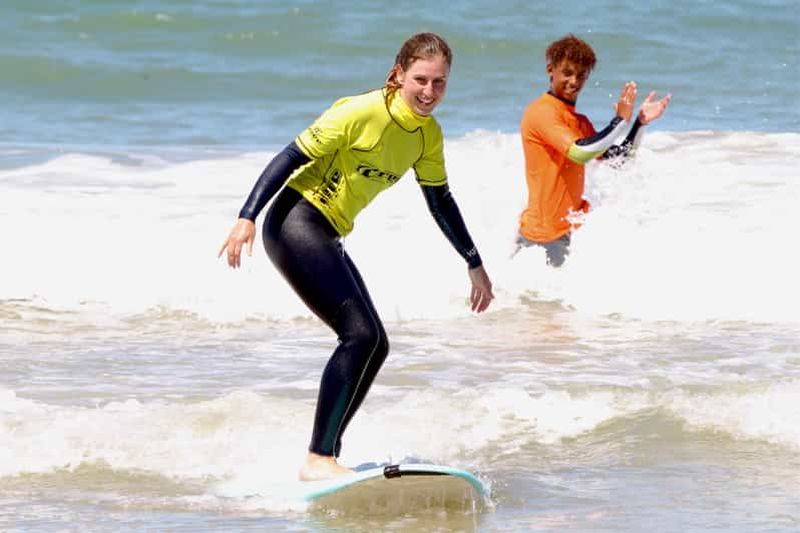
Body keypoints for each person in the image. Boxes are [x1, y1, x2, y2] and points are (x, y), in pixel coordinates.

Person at [218, 32, 494, 481]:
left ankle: (326, 455)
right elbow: (290, 156)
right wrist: (247, 216)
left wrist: (473, 261)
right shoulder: (359, 111)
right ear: (397, 74)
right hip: (295, 220)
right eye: (420, 80)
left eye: (439, 83)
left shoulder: (427, 136)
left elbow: (440, 200)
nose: (429, 92)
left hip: (327, 232)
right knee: (359, 335)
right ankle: (318, 457)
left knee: (375, 344)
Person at [516, 34, 671, 267]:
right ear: (551, 70)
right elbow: (579, 152)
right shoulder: (542, 112)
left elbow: (619, 160)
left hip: (571, 230)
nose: (574, 81)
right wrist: (619, 121)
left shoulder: (580, 122)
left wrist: (638, 123)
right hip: (541, 238)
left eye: (581, 75)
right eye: (567, 72)